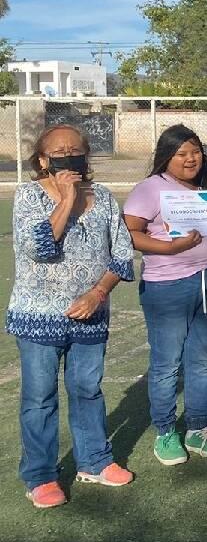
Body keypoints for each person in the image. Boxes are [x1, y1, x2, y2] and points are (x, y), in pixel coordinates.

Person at [11, 125, 135, 508]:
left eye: (76, 150)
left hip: (90, 316)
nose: (70, 156)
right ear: (43, 161)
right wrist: (65, 199)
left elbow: (124, 255)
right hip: (38, 317)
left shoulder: (105, 199)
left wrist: (98, 293)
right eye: (59, 152)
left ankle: (95, 461)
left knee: (87, 390)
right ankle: (41, 475)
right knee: (40, 398)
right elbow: (39, 249)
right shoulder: (28, 196)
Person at [124, 124, 207, 465]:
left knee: (202, 359)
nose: (191, 159)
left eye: (196, 151)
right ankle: (166, 432)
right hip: (168, 285)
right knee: (167, 364)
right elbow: (131, 233)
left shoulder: (206, 186)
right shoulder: (151, 188)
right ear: (165, 156)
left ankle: (198, 428)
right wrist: (171, 247)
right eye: (181, 153)